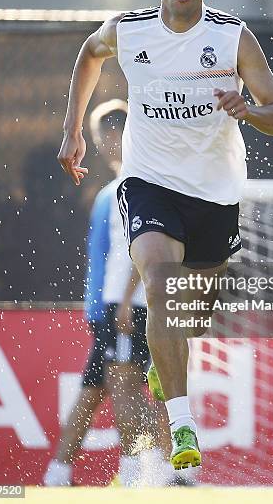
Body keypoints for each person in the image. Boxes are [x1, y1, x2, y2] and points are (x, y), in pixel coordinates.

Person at [57, 0, 273, 470]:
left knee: (190, 314)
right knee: (161, 286)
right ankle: (183, 427)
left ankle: (170, 375)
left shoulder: (233, 39)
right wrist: (71, 131)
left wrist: (247, 109)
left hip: (214, 193)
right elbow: (89, 55)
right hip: (149, 183)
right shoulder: (131, 31)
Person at [46, 100, 176, 487]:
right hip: (107, 307)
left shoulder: (141, 185)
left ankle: (142, 467)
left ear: (121, 134)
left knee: (125, 385)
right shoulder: (110, 191)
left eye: (104, 135)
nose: (102, 144)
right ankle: (58, 474)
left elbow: (147, 247)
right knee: (95, 389)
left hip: (128, 306)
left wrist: (124, 299)